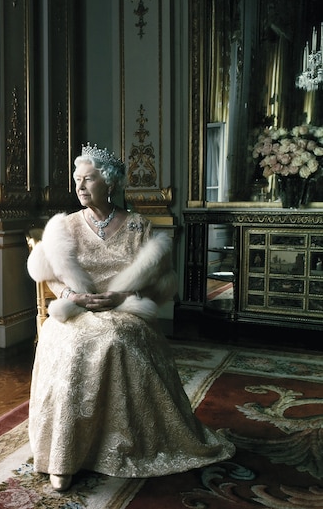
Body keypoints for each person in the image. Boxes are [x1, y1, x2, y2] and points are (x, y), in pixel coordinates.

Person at [27, 143, 235, 492]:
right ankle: (63, 454)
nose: (79, 187)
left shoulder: (139, 226)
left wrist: (122, 295)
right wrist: (70, 295)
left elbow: (160, 282)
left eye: (88, 180)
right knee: (72, 343)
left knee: (116, 339)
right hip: (76, 310)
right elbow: (47, 274)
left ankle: (120, 444)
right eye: (77, 180)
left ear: (109, 183)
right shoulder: (65, 227)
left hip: (125, 309)